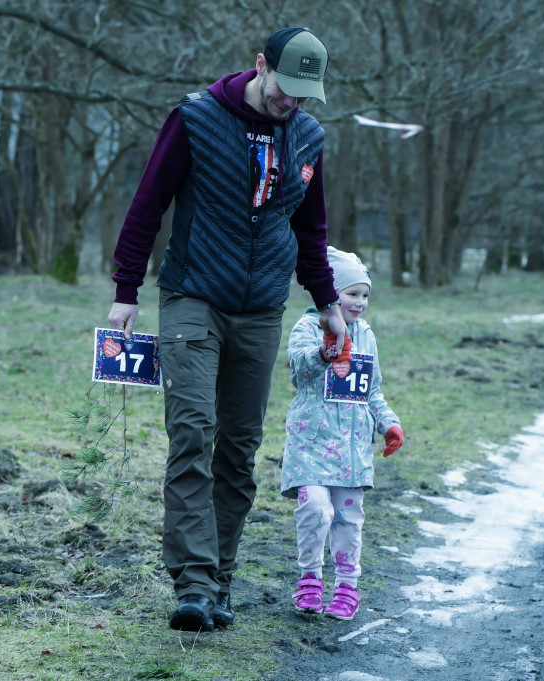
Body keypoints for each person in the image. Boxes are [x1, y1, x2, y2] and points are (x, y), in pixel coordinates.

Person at [107, 27, 346, 633]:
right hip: (192, 296)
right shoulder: (196, 118)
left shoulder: (308, 139)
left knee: (238, 449)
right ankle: (191, 582)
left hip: (262, 308)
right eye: (285, 88)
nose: (291, 102)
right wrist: (125, 291)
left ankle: (221, 579)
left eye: (303, 94)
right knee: (192, 430)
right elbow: (147, 203)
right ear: (261, 65)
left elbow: (310, 231)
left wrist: (327, 303)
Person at [281, 246, 404, 621]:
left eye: (365, 295)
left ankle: (347, 586)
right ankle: (310, 578)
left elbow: (372, 390)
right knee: (316, 509)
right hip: (311, 442)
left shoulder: (367, 336)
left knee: (349, 520)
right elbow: (299, 369)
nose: (361, 302)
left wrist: (388, 423)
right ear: (330, 292)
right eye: (352, 293)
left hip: (352, 452)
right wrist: (324, 352)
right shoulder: (307, 326)